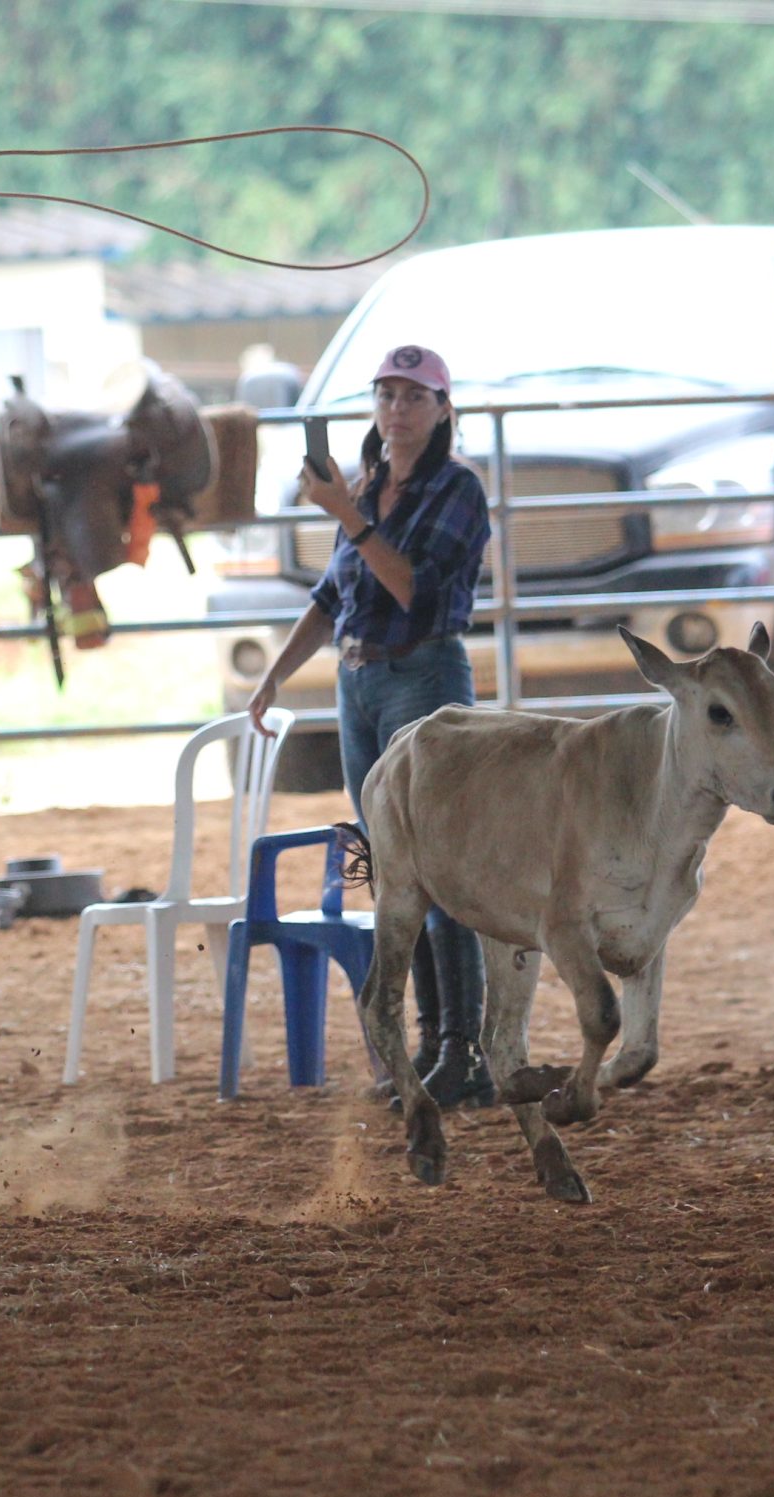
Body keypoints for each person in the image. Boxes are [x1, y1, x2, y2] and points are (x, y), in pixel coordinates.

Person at [244, 344, 494, 1106]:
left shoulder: (455, 490)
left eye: (414, 397)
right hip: (363, 678)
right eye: (387, 395)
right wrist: (277, 669)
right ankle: (431, 1043)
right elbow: (333, 595)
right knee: (396, 865)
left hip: (421, 669)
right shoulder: (369, 486)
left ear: (443, 411)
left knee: (440, 861)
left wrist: (349, 516)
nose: (397, 409)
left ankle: (462, 1047)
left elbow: (415, 591)